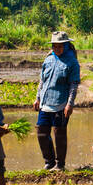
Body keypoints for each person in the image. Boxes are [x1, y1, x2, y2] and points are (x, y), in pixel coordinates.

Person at [33, 31, 80, 170]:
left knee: (59, 134)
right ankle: (49, 162)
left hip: (61, 103)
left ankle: (60, 164)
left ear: (66, 45)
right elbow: (42, 81)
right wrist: (37, 98)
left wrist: (69, 104)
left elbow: (73, 84)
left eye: (60, 46)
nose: (57, 49)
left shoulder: (72, 62)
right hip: (45, 102)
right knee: (41, 132)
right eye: (55, 46)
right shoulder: (48, 59)